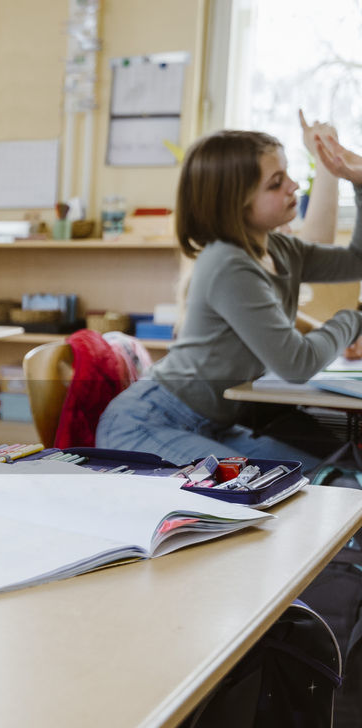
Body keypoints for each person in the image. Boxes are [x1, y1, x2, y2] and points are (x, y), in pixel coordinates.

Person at [96, 114, 362, 467]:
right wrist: (352, 321)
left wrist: (359, 184)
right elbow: (296, 364)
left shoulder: (281, 249)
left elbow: (356, 260)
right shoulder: (228, 263)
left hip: (213, 426)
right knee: (294, 488)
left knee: (335, 476)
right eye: (276, 183)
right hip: (147, 425)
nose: (295, 186)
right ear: (236, 202)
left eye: (288, 175)